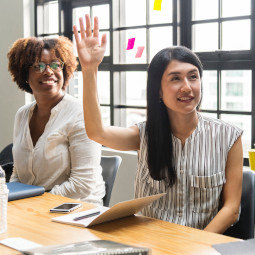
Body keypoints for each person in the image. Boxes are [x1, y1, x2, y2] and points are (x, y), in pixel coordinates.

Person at [73, 14, 243, 233]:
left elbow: (231, 209)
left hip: (202, 245)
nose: (187, 87)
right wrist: (89, 70)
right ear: (159, 91)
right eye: (175, 78)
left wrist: (198, 246)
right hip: (151, 243)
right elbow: (97, 132)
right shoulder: (144, 134)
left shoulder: (228, 137)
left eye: (193, 76)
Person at [7, 36, 105, 205]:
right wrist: (13, 199)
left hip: (77, 210)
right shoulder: (22, 115)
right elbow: (18, 172)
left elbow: (82, 184)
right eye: (38, 66)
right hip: (34, 209)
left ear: (64, 70)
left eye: (55, 64)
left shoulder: (80, 113)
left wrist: (36, 203)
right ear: (24, 74)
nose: (48, 71)